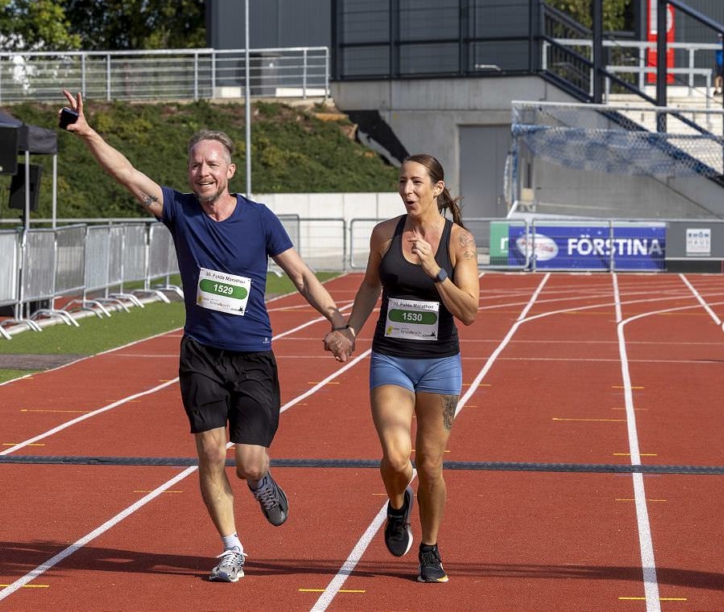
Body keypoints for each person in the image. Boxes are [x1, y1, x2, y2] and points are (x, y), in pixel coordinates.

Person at [60, 89, 352, 584]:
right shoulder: (179, 211)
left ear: (229, 170)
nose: (203, 172)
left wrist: (336, 321)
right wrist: (87, 132)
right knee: (212, 453)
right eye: (195, 165)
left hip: (253, 356)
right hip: (201, 354)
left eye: (212, 164)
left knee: (249, 464)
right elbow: (127, 174)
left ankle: (261, 480)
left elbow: (301, 275)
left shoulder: (259, 219)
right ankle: (232, 547)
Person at [325, 154, 479, 584]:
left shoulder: (460, 241)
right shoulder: (385, 234)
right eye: (401, 181)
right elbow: (370, 284)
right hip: (390, 358)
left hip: (440, 365)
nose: (407, 190)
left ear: (437, 188)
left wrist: (436, 272)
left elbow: (470, 312)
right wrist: (350, 330)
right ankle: (398, 506)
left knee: (429, 465)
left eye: (416, 182)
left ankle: (430, 548)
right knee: (396, 458)